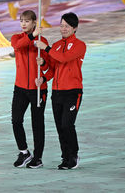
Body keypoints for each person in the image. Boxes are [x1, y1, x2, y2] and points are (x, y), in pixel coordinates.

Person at [34, 12, 86, 170]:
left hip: (72, 92)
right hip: (57, 92)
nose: (63, 29)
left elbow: (64, 58)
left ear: (75, 28)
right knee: (59, 126)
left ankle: (73, 155)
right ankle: (65, 157)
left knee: (67, 124)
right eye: (62, 25)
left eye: (67, 26)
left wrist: (46, 48)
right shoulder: (56, 46)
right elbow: (52, 70)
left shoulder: (79, 45)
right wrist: (43, 68)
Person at [10, 10, 53, 169]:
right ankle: (24, 152)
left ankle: (38, 157)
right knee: (16, 120)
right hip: (20, 88)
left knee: (37, 123)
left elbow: (50, 68)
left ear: (34, 22)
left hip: (37, 89)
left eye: (27, 21)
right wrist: (32, 35)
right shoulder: (17, 38)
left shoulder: (42, 41)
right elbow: (18, 47)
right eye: (21, 21)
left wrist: (43, 73)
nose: (23, 24)